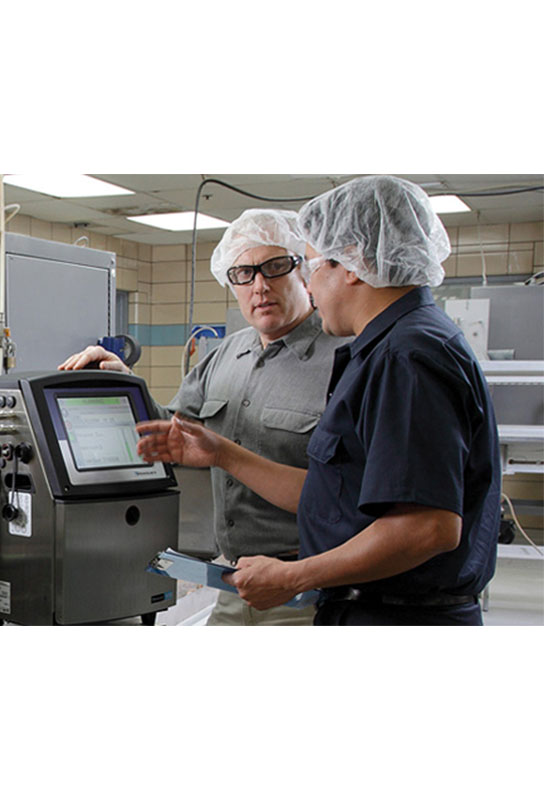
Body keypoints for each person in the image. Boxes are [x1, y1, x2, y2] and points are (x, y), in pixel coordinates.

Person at [136, 176, 501, 625]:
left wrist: (295, 576)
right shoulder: (390, 348)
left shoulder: (405, 356)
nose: (310, 285)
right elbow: (334, 497)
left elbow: (429, 527)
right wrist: (222, 453)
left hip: (394, 615)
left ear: (352, 263)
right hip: (357, 604)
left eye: (310, 266)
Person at [59, 209, 344, 625]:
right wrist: (126, 384)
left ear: (304, 271)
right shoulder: (226, 355)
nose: (260, 286)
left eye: (275, 267)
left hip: (307, 588)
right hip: (235, 582)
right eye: (243, 274)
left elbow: (347, 494)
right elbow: (176, 434)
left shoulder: (344, 359)